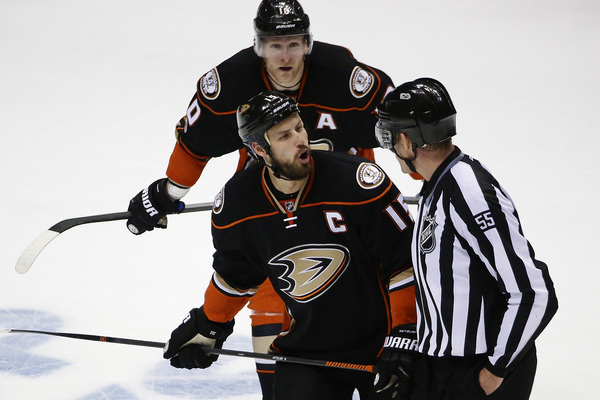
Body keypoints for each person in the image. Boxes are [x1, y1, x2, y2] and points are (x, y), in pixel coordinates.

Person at [125, 1, 417, 397]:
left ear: (307, 44)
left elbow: (406, 131)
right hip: (273, 206)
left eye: (293, 44)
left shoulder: (347, 81)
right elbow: (197, 143)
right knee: (274, 288)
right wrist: (168, 193)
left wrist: (426, 178)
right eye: (275, 45)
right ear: (259, 46)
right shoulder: (231, 93)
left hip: (349, 212)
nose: (285, 57)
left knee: (365, 295)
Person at [162, 91, 415, 400]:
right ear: (260, 149)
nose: (300, 140)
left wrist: (406, 333)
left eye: (299, 127)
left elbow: (406, 264)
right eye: (284, 135)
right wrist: (209, 324)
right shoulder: (237, 205)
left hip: (384, 345)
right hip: (308, 349)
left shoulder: (359, 183)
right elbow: (236, 276)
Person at [374, 77, 559, 399]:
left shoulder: (469, 193)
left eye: (387, 136)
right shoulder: (439, 184)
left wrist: (495, 371)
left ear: (405, 141)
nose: (389, 148)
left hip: (478, 370)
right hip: (443, 366)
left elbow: (533, 292)